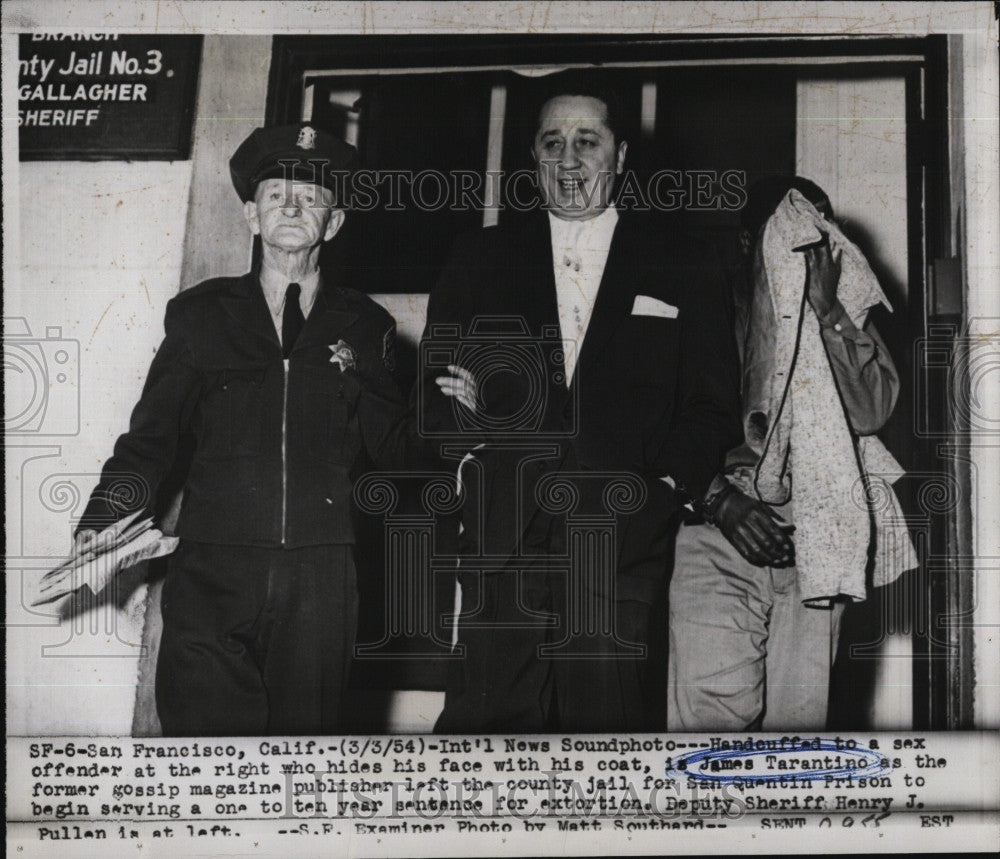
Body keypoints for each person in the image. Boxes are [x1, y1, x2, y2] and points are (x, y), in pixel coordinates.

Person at [74, 123, 421, 736]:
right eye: (276, 194)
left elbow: (399, 455)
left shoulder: (368, 325)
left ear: (333, 224)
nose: (292, 206)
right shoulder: (200, 315)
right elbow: (150, 440)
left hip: (321, 580)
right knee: (205, 758)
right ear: (250, 216)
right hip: (213, 569)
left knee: (302, 765)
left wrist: (365, 382)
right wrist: (104, 521)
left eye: (311, 197)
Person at [421, 75, 742, 732]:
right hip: (503, 531)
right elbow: (433, 392)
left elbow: (712, 405)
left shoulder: (685, 261)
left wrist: (664, 487)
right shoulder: (479, 257)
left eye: (587, 141)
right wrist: (464, 423)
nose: (569, 159)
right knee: (485, 737)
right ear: (534, 158)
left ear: (620, 157)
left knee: (605, 732)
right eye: (552, 142)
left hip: (621, 536)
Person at [667, 176, 915, 731]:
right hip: (717, 528)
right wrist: (720, 502)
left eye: (821, 230)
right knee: (708, 727)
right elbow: (663, 424)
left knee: (798, 724)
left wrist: (829, 312)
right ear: (748, 242)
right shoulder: (705, 307)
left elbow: (872, 410)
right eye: (789, 231)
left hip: (819, 531)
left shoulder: (842, 309)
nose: (808, 245)